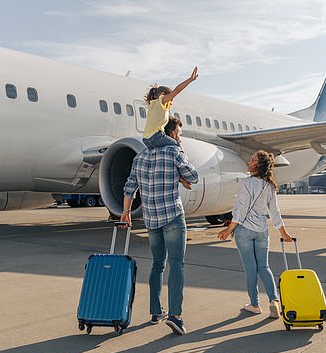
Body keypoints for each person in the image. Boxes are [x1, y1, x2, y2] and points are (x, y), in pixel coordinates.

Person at [120, 118, 199, 336]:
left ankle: (156, 311)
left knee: (157, 265)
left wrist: (126, 213)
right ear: (172, 134)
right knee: (176, 264)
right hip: (172, 216)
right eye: (180, 134)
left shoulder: (140, 157)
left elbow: (129, 189)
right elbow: (194, 176)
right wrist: (180, 154)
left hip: (151, 220)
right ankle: (175, 315)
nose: (180, 137)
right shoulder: (174, 152)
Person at [218, 150, 293, 318]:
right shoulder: (270, 185)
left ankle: (254, 305)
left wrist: (229, 229)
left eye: (252, 160)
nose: (248, 163)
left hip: (244, 231)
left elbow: (241, 210)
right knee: (264, 267)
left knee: (251, 269)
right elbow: (274, 211)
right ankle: (274, 301)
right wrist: (283, 232)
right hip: (261, 231)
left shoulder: (248, 183)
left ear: (258, 165)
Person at [142, 67, 198, 150]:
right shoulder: (161, 101)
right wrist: (190, 80)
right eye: (171, 99)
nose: (171, 102)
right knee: (177, 145)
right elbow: (177, 90)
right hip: (156, 136)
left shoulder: (152, 105)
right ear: (163, 94)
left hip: (146, 139)